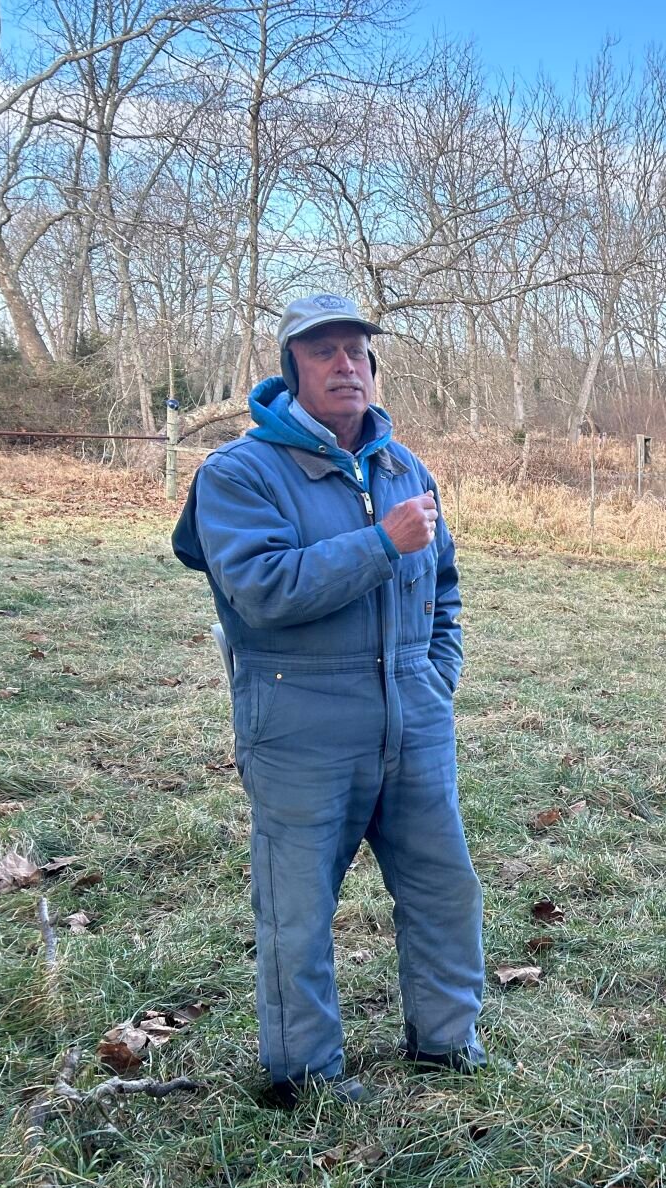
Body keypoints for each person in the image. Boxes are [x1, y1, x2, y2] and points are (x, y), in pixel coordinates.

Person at [172, 293, 485, 1106]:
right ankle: (305, 1077)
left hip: (412, 716)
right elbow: (263, 588)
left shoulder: (404, 468)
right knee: (299, 910)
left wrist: (434, 674)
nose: (347, 366)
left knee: (444, 888)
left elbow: (443, 586)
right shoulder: (239, 474)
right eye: (326, 354)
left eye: (359, 352)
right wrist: (383, 543)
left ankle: (447, 1044)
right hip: (301, 723)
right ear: (291, 372)